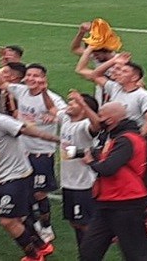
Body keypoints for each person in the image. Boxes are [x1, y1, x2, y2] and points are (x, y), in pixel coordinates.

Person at [0, 92, 59, 261]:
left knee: (7, 221)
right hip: (0, 178)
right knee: (20, 217)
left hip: (16, 177)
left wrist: (57, 139)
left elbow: (27, 130)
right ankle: (43, 246)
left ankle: (34, 256)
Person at [0, 61, 67, 243]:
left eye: (36, 76)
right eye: (29, 75)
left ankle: (46, 226)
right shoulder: (21, 90)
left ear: (44, 79)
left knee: (39, 193)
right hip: (22, 152)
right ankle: (33, 222)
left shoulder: (53, 98)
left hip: (41, 152)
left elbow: (61, 112)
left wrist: (53, 115)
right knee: (27, 191)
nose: (32, 79)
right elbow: (2, 83)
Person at [79, 102, 147, 261]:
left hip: (126, 203)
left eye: (101, 116)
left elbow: (108, 168)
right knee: (88, 252)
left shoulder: (126, 139)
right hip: (108, 202)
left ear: (111, 120)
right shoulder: (117, 137)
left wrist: (91, 162)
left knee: (137, 255)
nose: (98, 119)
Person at [55, 91, 100, 251]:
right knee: (75, 222)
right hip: (68, 183)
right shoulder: (66, 120)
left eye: (73, 103)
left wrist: (84, 104)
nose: (69, 104)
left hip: (83, 184)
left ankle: (91, 253)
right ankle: (84, 251)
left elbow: (97, 125)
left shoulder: (85, 126)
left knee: (85, 224)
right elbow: (51, 108)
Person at [71, 22, 117, 106]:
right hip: (101, 96)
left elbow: (80, 70)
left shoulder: (118, 63)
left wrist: (89, 49)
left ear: (106, 50)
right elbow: (75, 48)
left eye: (96, 54)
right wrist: (81, 32)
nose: (94, 57)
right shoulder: (100, 56)